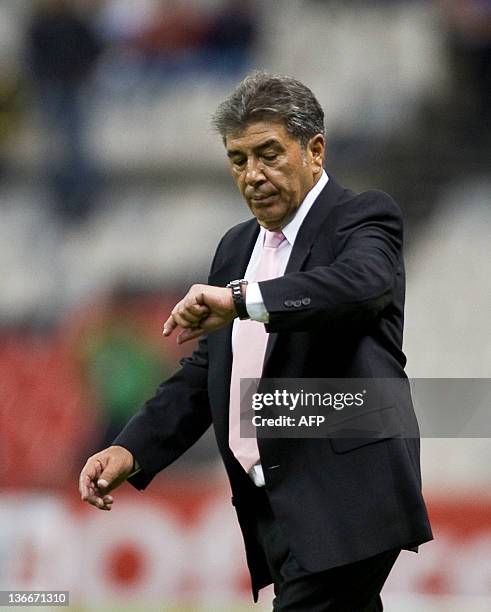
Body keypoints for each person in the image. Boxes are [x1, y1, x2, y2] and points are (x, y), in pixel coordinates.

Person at [79, 72, 433, 611]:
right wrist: (131, 448)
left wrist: (243, 299)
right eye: (238, 159)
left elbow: (362, 287)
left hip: (346, 496)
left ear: (315, 151)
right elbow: (205, 371)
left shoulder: (361, 217)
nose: (253, 175)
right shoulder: (236, 246)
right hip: (275, 505)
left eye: (268, 154)